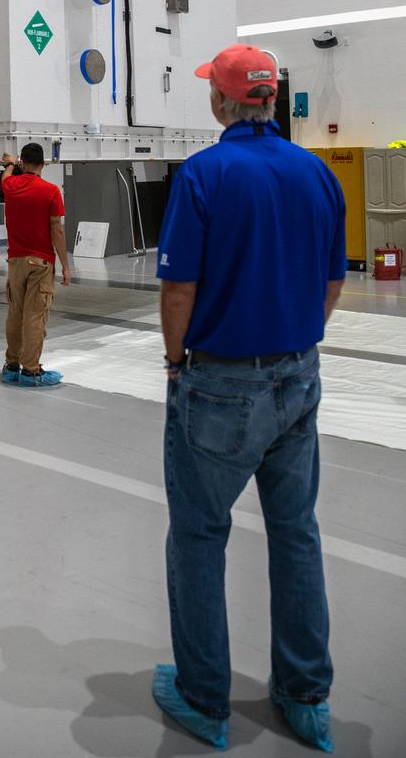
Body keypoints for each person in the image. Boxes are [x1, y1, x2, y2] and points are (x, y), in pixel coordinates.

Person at [151, 44, 346, 753]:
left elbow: (179, 287)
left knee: (200, 536)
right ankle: (305, 696)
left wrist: (176, 364)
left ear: (220, 102)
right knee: (295, 532)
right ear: (272, 99)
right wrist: (292, 346)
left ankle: (204, 700)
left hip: (220, 384)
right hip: (299, 376)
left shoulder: (204, 174)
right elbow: (332, 283)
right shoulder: (317, 172)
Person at [0, 143, 71, 386]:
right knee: (35, 316)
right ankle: (30, 371)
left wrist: (11, 165)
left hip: (15, 261)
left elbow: (5, 176)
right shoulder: (51, 191)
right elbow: (57, 231)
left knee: (15, 313)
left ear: (23, 162)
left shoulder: (10, 186)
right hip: (40, 263)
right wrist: (66, 266)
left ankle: (11, 366)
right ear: (44, 163)